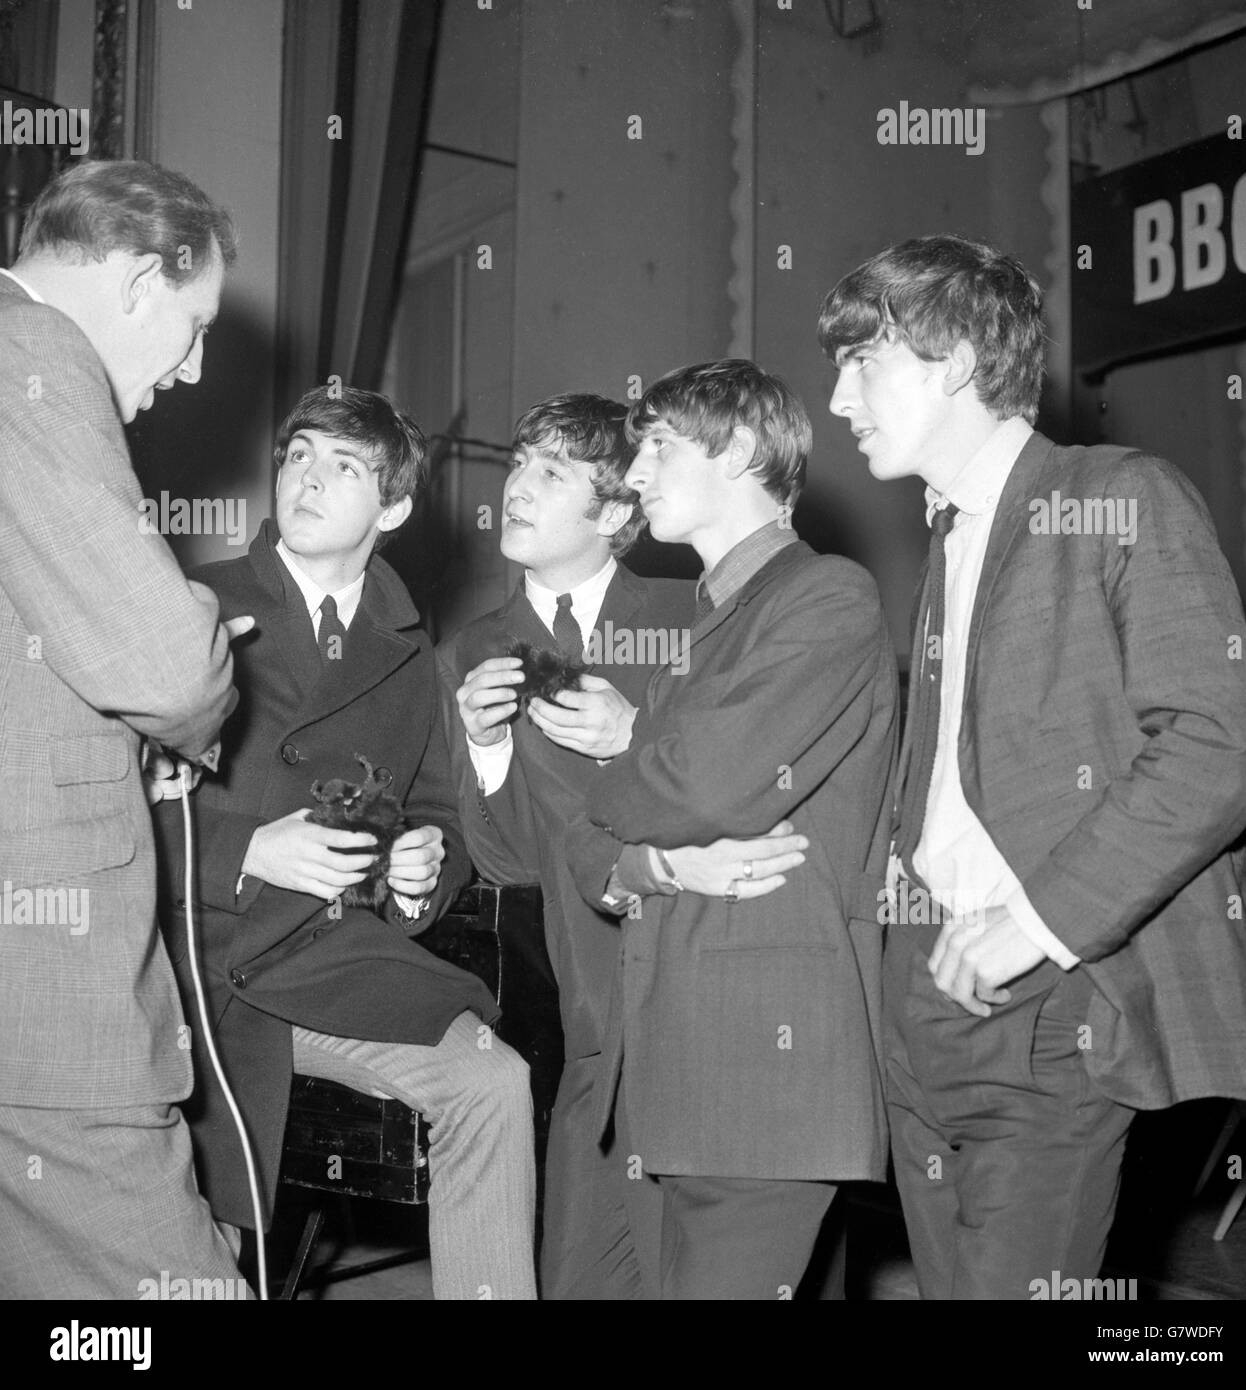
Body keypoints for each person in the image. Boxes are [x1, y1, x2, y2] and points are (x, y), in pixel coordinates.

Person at [819, 233, 1246, 1299]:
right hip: (923, 997)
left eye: (861, 362)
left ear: (956, 361)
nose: (839, 396)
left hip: (1051, 1001)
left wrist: (1033, 922)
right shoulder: (951, 540)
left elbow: (1221, 741)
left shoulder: (1119, 494)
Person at [151, 386, 537, 1300]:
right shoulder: (190, 601)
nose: (308, 479)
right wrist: (248, 850)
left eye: (344, 466)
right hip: (194, 958)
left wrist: (417, 871)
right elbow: (118, 798)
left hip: (333, 959)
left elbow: (441, 817)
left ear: (392, 508)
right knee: (188, 1249)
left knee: (495, 1083)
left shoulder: (414, 654)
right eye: (297, 456)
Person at [440, 393, 810, 1298]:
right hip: (577, 1003)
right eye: (517, 464)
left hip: (712, 975)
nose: (515, 490)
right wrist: (485, 751)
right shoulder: (469, 650)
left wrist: (633, 729)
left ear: (615, 515)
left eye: (550, 473)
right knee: (584, 1266)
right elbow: (506, 865)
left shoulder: (698, 614)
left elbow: (763, 786)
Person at [544, 360, 898, 1299]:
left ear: (740, 450)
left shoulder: (825, 596)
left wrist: (625, 790)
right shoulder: (703, 636)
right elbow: (593, 842)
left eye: (657, 446)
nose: (635, 474)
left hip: (762, 1074)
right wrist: (654, 858)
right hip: (679, 1071)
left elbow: (700, 786)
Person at [0, 159, 249, 1298]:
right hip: (43, 1002)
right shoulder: (34, 355)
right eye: (192, 327)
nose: (193, 370)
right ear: (142, 280)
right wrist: (198, 637)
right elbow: (162, 662)